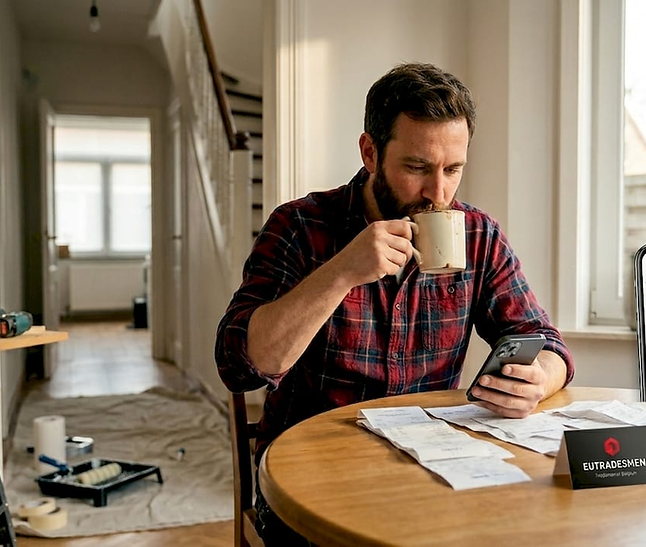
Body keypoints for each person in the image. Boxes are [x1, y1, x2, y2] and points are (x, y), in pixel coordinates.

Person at [215, 62, 574, 544]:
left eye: (453, 170)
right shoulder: (300, 226)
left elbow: (544, 341)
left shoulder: (477, 234)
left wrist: (538, 378)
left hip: (429, 465)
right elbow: (239, 366)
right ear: (370, 152)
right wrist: (343, 271)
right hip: (312, 471)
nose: (438, 193)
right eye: (417, 167)